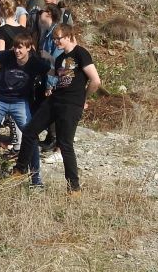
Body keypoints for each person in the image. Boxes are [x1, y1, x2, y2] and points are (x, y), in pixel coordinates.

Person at [12, 24, 100, 193]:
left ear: (68, 36)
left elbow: (95, 81)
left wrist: (83, 98)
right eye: (54, 39)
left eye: (59, 38)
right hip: (55, 100)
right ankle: (20, 169)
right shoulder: (60, 58)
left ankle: (74, 188)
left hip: (71, 104)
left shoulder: (81, 53)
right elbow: (55, 75)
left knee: (65, 144)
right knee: (30, 131)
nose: (56, 42)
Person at [0, 33, 50, 186]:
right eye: (15, 47)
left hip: (20, 102)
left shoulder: (35, 62)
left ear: (29, 48)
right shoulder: (8, 56)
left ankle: (35, 178)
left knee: (31, 136)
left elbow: (52, 72)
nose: (17, 51)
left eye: (20, 48)